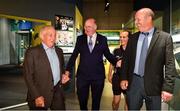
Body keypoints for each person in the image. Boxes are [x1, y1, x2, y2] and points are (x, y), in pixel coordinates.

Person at [120, 8, 177, 110]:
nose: (136, 22)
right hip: (134, 84)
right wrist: (124, 77)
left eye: (138, 19)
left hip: (154, 85)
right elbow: (126, 60)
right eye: (135, 20)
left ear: (149, 18)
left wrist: (168, 88)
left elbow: (170, 65)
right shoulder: (133, 38)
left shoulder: (165, 38)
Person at [65, 18, 118, 110]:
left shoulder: (102, 39)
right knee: (82, 101)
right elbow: (74, 55)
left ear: (95, 27)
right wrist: (68, 70)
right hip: (82, 76)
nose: (86, 29)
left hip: (98, 77)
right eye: (85, 27)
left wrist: (117, 62)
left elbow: (108, 55)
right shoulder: (80, 39)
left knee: (96, 102)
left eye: (88, 26)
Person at [23, 26, 70, 110]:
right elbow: (28, 76)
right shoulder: (32, 52)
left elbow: (61, 69)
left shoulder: (59, 51)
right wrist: (36, 96)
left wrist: (63, 76)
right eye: (50, 35)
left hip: (57, 92)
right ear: (42, 36)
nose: (53, 38)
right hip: (40, 93)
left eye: (55, 35)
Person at [108, 30, 129, 110]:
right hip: (117, 77)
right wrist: (109, 75)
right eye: (120, 37)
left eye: (124, 37)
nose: (121, 39)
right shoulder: (116, 50)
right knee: (116, 101)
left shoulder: (132, 51)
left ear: (128, 38)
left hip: (128, 78)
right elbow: (112, 63)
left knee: (128, 102)